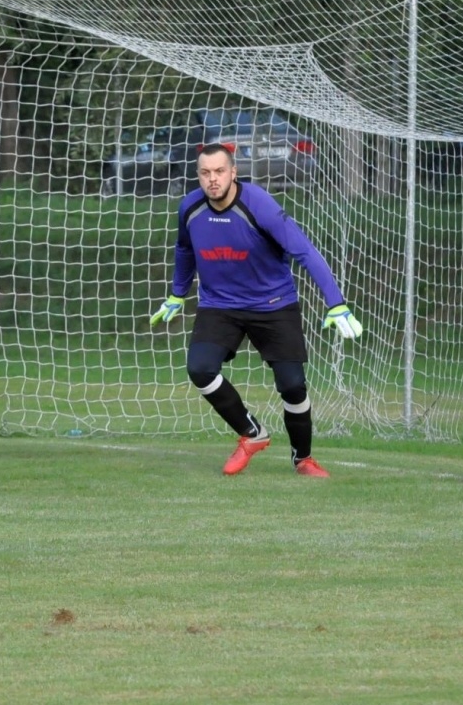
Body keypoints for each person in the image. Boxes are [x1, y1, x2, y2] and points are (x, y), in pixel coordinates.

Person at [149, 142, 363, 477]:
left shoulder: (259, 205)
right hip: (219, 305)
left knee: (293, 386)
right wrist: (177, 294)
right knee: (200, 369)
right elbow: (184, 250)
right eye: (205, 173)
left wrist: (335, 303)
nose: (212, 179)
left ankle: (303, 458)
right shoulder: (189, 207)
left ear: (234, 172)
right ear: (198, 176)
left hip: (274, 304)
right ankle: (252, 434)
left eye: (219, 171)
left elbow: (303, 250)